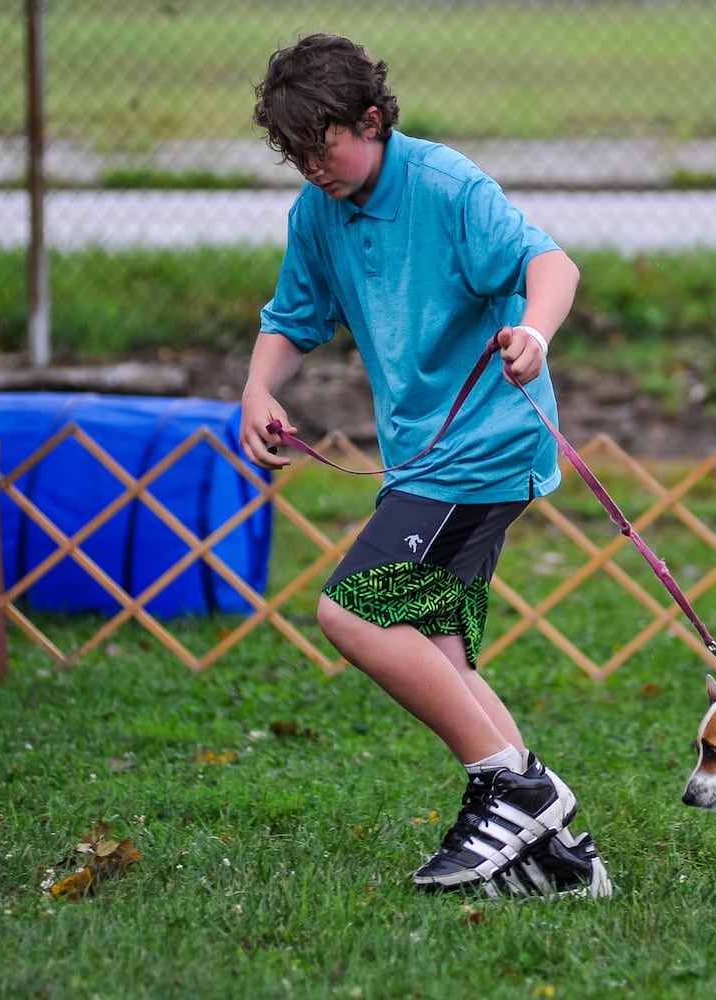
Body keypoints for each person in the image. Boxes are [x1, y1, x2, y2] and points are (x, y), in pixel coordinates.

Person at [238, 32, 607, 899]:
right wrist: (258, 390)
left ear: (370, 119)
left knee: (351, 613)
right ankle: (558, 862)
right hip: (422, 457)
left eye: (321, 148)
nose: (312, 169)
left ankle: (514, 789)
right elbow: (294, 316)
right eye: (294, 156)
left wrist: (535, 334)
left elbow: (551, 264)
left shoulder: (445, 186)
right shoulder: (319, 212)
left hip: (484, 448)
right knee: (439, 647)